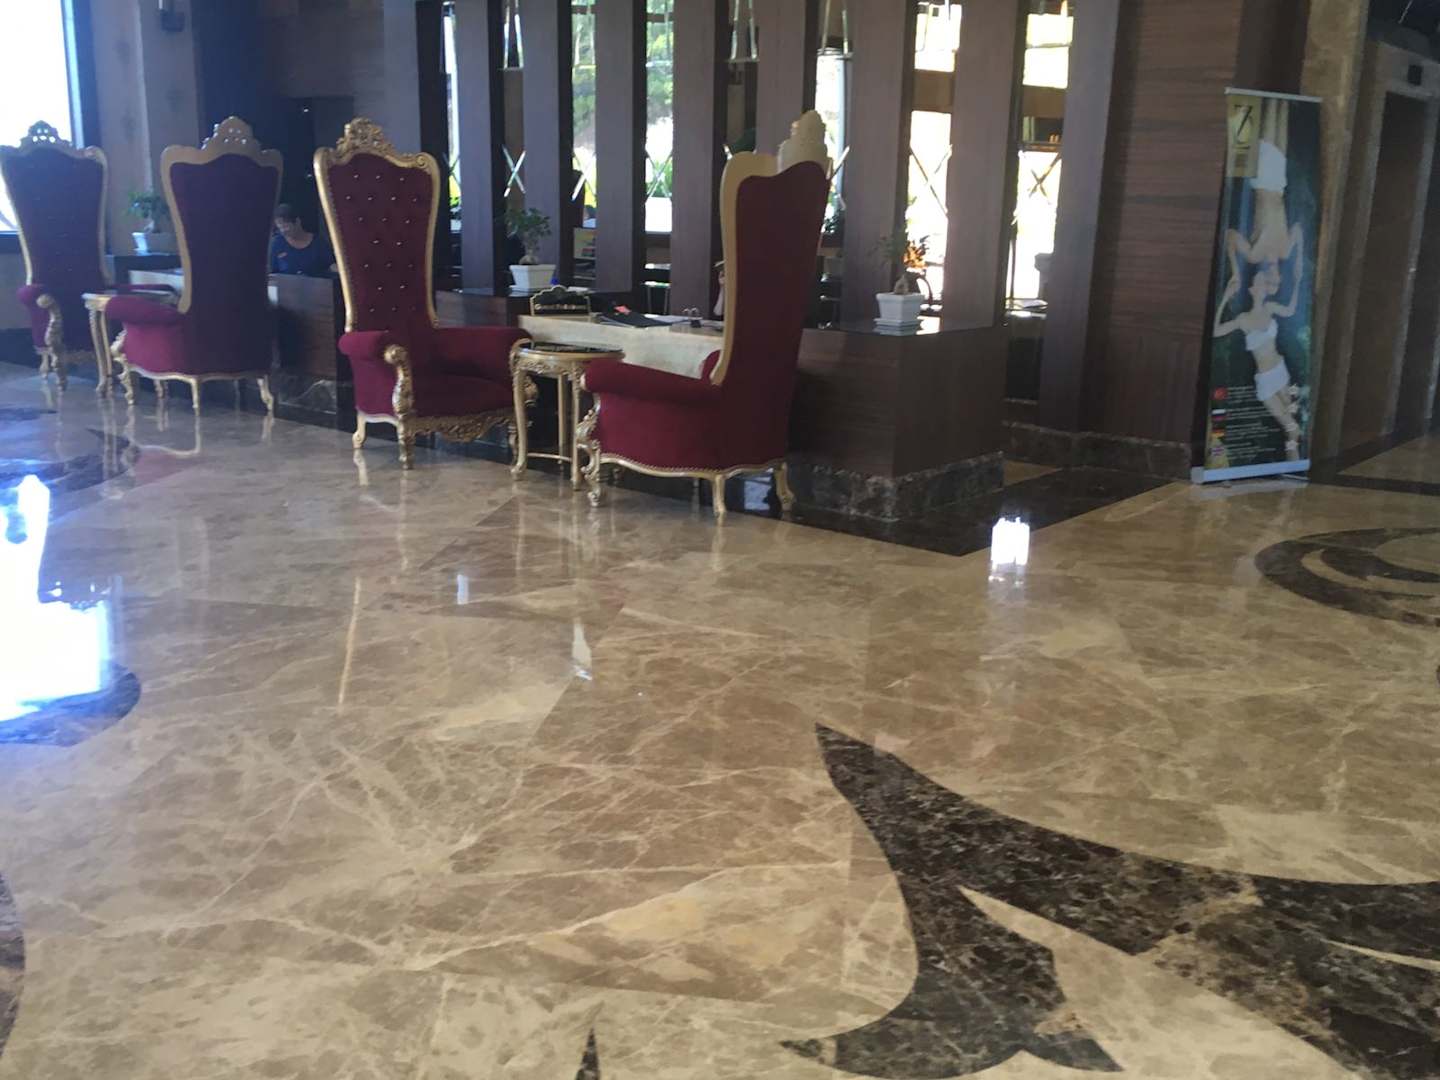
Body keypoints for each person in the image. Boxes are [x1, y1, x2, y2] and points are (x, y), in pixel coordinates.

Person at [1214, 260, 1304, 461]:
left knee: (1292, 429)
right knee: (1292, 429)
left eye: (1266, 282)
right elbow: (1215, 331)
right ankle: (1292, 466)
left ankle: (1292, 467)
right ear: (1253, 289)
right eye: (1260, 282)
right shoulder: (1243, 319)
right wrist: (1226, 297)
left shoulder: (1270, 307)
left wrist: (1298, 281)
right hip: (1265, 383)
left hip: (1281, 372)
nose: (1264, 285)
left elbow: (1290, 310)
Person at [269, 204, 332, 277]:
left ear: (297, 221)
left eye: (286, 226)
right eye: (280, 228)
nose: (283, 231)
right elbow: (271, 272)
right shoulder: (277, 243)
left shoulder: (318, 243)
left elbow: (330, 266)